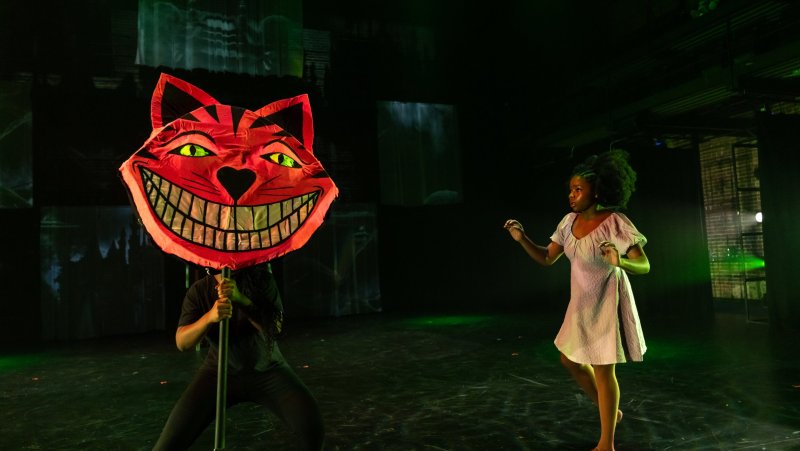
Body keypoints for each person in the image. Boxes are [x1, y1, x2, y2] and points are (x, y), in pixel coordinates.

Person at [503, 149, 649, 451]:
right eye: (570, 189)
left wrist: (620, 261)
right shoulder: (568, 223)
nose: (571, 195)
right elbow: (546, 257)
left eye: (578, 189)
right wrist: (522, 239)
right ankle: (610, 410)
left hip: (607, 300)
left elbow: (644, 264)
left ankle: (606, 443)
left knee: (604, 368)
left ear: (597, 191)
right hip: (581, 305)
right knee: (569, 359)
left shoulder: (615, 222)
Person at [153, 263, 324, 450]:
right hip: (218, 373)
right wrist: (209, 317)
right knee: (168, 443)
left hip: (269, 370)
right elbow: (182, 342)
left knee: (313, 429)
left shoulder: (261, 280)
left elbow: (275, 329)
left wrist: (241, 300)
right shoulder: (200, 290)